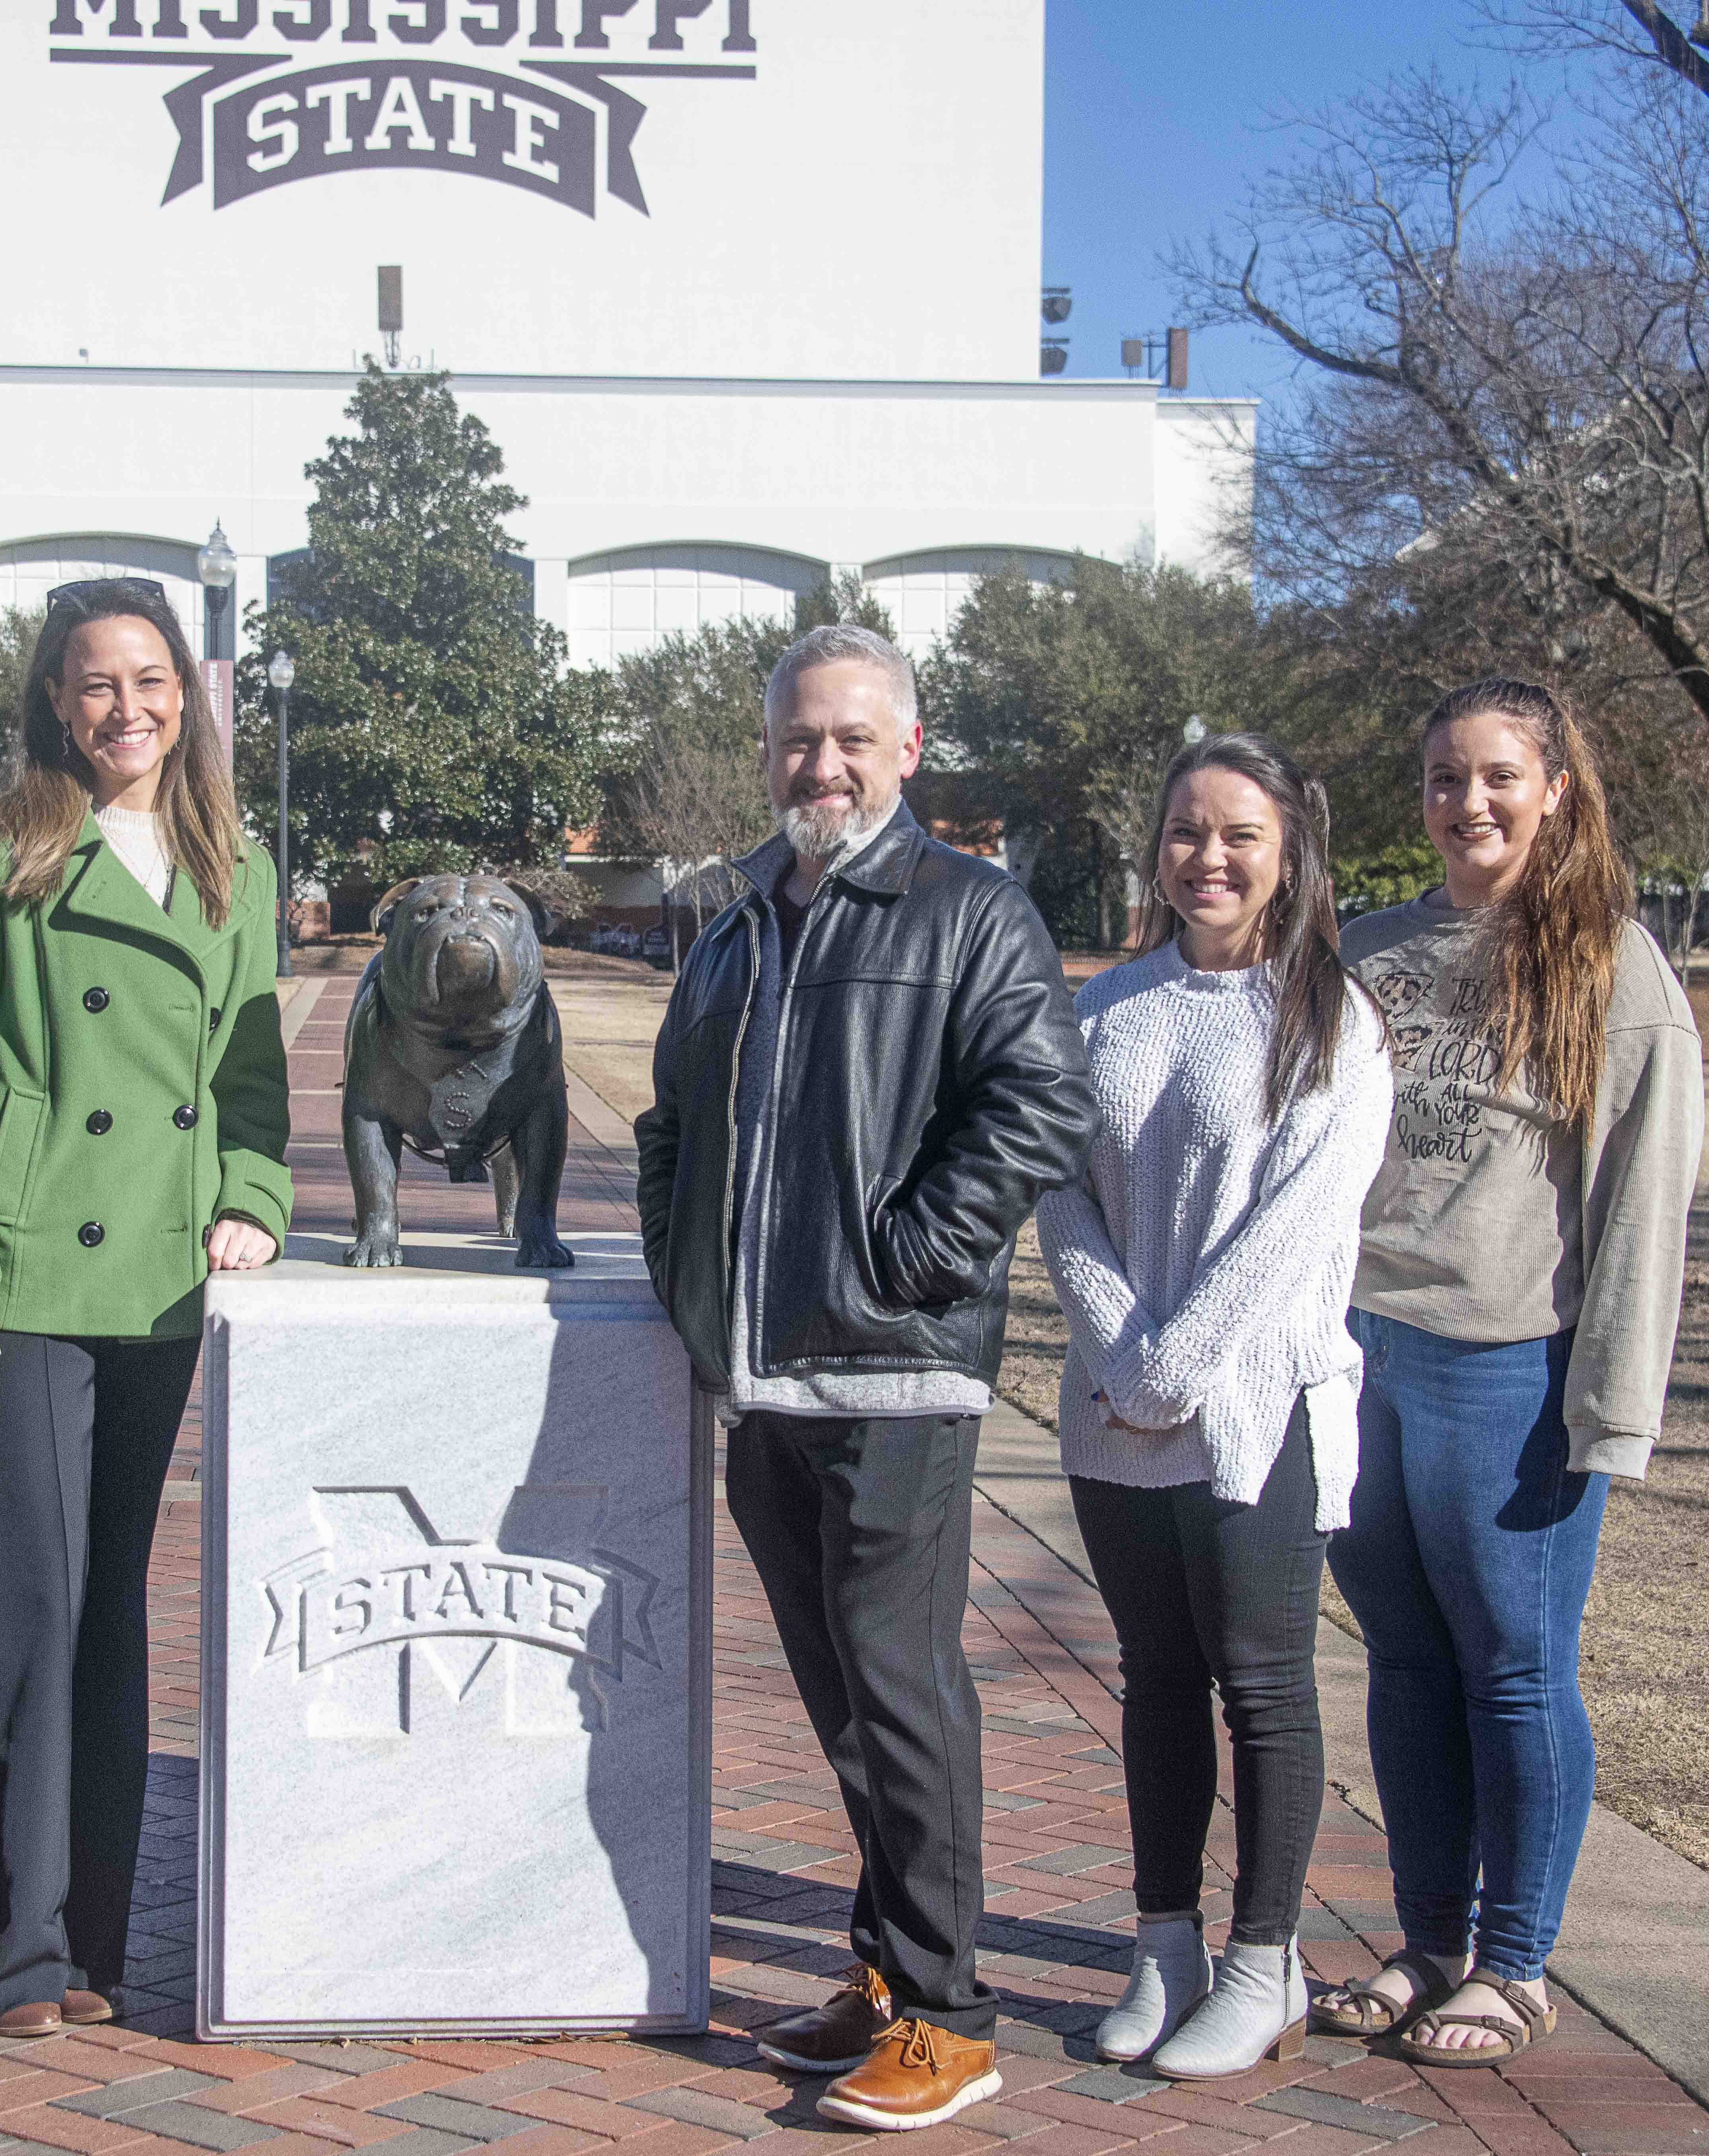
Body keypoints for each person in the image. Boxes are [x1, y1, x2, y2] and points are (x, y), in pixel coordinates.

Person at [634, 624, 1094, 2132]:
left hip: (893, 1376)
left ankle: (955, 2013)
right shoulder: (734, 925)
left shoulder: (973, 913)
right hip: (764, 1381)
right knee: (839, 1699)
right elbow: (671, 1125)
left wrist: (910, 1254)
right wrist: (687, 1284)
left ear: (907, 748)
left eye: (847, 738)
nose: (817, 765)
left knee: (901, 1691)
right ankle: (890, 1972)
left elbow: (1039, 1105)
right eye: (794, 740)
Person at [0, 578, 289, 2037]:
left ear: (189, 695)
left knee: (112, 1605)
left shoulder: (228, 859)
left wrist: (255, 1191)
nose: (129, 708)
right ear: (56, 700)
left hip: (169, 1279)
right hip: (27, 1271)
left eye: (153, 680)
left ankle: (97, 1938)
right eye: (97, 682)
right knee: (39, 1599)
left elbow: (254, 1074)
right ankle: (13, 1947)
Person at [1314, 678, 1702, 2068]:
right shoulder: (1363, 954)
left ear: (1554, 788)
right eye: (1442, 777)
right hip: (1356, 1359)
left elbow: (1643, 1205)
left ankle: (1518, 1960)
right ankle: (1427, 1943)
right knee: (1406, 1663)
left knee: (1517, 1671)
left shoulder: (1614, 966)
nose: (1467, 801)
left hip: (1509, 1371)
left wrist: (1613, 1408)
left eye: (1496, 776)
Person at [1035, 735, 1391, 2080]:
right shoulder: (1108, 1004)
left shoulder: (1333, 1020)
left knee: (1263, 1682)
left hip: (1259, 1406)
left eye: (1240, 833)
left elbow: (1300, 1225)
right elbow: (1058, 1186)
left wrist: (1178, 1361)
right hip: (1115, 1403)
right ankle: (1165, 1946)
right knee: (1156, 1683)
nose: (1211, 857)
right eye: (1187, 830)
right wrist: (1124, 1349)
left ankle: (1266, 1960)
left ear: (1289, 849)